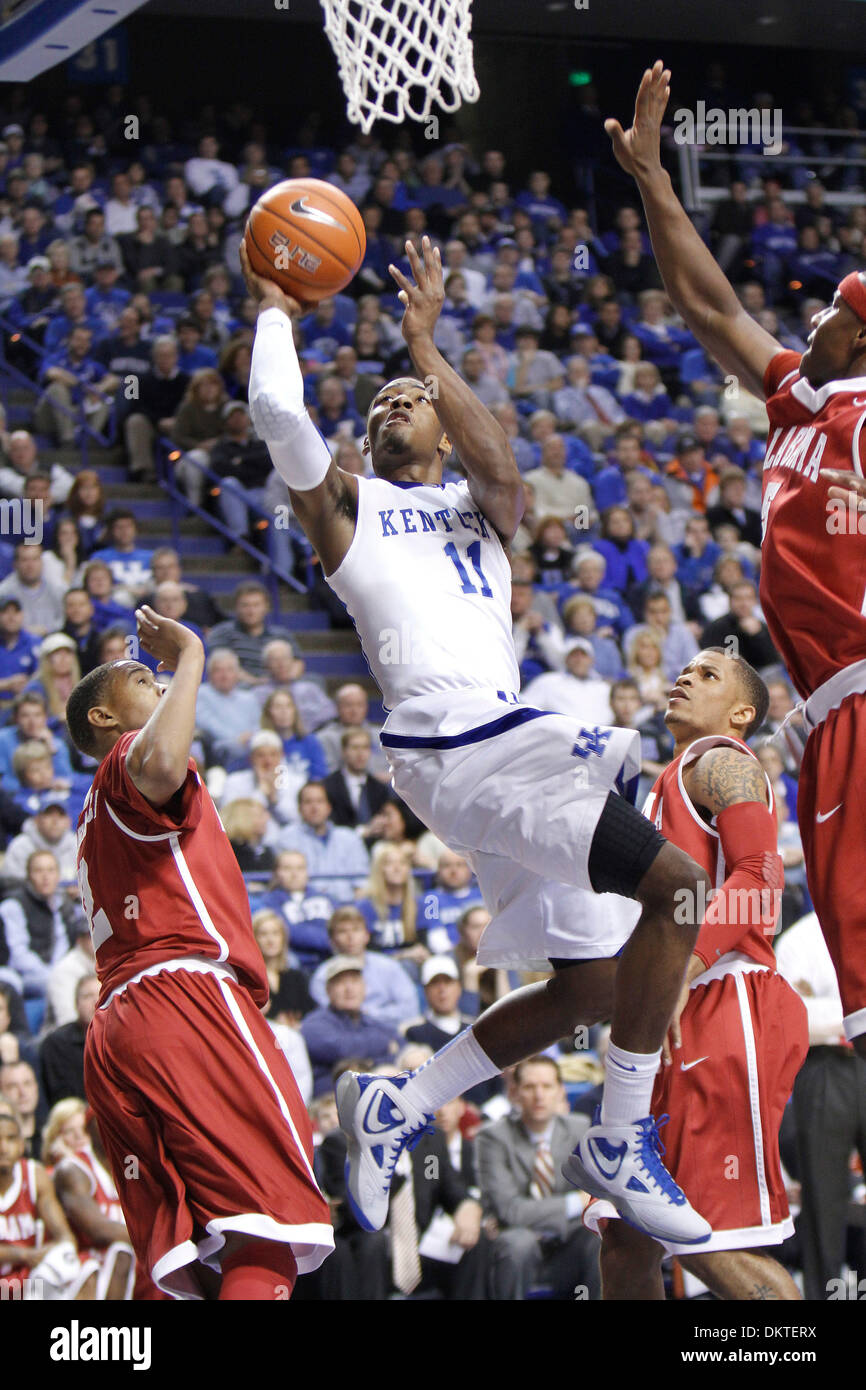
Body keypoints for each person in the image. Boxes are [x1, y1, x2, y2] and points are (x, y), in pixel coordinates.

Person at [241, 234, 713, 1245]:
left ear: (442, 428)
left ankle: (400, 1104)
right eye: (380, 405)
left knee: (588, 983)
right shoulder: (350, 512)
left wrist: (427, 350)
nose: (392, 403)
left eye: (408, 398)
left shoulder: (477, 507)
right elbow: (279, 413)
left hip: (494, 761)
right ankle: (620, 1134)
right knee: (676, 884)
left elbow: (500, 465)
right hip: (459, 744)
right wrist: (274, 303)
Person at [606, 58, 866, 1059]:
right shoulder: (799, 398)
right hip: (830, 715)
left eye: (832, 306)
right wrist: (652, 179)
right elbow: (706, 307)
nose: (811, 311)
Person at [63, 606, 333, 1298]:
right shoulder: (127, 760)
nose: (151, 678)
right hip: (182, 994)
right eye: (135, 678)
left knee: (191, 1254)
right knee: (266, 1222)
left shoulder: (94, 815)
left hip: (122, 1025)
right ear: (102, 719)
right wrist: (191, 656)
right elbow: (161, 757)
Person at [584, 648, 809, 1299]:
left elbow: (761, 881)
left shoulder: (721, 760)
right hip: (671, 1011)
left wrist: (688, 966)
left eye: (708, 674)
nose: (685, 677)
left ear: (741, 711)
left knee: (709, 1234)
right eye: (684, 670)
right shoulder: (665, 781)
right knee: (626, 1232)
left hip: (725, 997)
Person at [477, 1055, 601, 1300]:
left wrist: (538, 1215)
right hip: (519, 1244)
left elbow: (597, 1198)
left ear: (560, 1091)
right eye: (530, 1087)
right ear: (514, 1093)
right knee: (517, 1243)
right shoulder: (492, 1138)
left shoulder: (579, 1128)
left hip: (569, 1241)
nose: (539, 1096)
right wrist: (575, 1202)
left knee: (599, 1237)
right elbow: (510, 1211)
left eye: (547, 1086)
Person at [308, 905, 419, 1032]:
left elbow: (410, 1009)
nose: (350, 937)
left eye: (356, 930)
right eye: (342, 931)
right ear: (332, 941)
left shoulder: (389, 966)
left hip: (391, 1031)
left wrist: (369, 1014)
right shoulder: (322, 976)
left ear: (366, 936)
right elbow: (330, 1018)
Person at [300, 958, 400, 1097]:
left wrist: (369, 1061)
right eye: (340, 983)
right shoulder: (314, 1023)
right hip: (332, 1103)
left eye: (354, 981)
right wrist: (381, 1045)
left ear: (364, 988)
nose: (349, 989)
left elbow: (400, 1046)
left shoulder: (372, 1022)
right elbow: (340, 1049)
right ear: (328, 990)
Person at [40, 974, 99, 1107]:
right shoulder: (56, 1044)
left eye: (101, 993)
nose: (95, 1001)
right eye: (87, 996)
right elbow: (61, 1097)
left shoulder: (123, 1038)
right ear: (76, 1004)